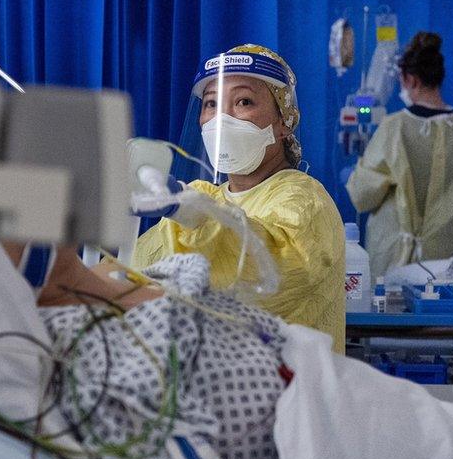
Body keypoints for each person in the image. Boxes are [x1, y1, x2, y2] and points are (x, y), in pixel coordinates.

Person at [131, 44, 347, 352]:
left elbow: (269, 270)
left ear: (283, 121)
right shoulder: (204, 196)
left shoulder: (305, 199)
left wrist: (189, 211)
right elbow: (139, 270)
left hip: (289, 390)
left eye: (243, 102)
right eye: (210, 104)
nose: (221, 119)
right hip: (219, 387)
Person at [346, 32, 453, 277]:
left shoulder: (393, 129)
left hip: (396, 260)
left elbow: (362, 196)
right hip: (452, 262)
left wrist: (355, 175)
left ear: (411, 79)